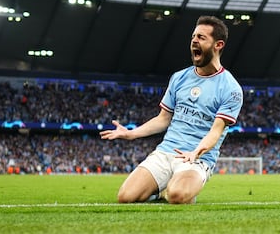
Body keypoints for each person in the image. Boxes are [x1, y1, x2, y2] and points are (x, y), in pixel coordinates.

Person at [100, 15, 243, 204]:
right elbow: (163, 119)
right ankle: (162, 189)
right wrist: (131, 134)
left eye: (201, 37)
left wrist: (196, 152)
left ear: (218, 45)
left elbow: (216, 132)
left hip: (197, 159)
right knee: (126, 197)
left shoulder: (231, 88)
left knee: (177, 196)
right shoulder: (179, 78)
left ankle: (176, 187)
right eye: (193, 36)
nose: (194, 41)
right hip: (166, 152)